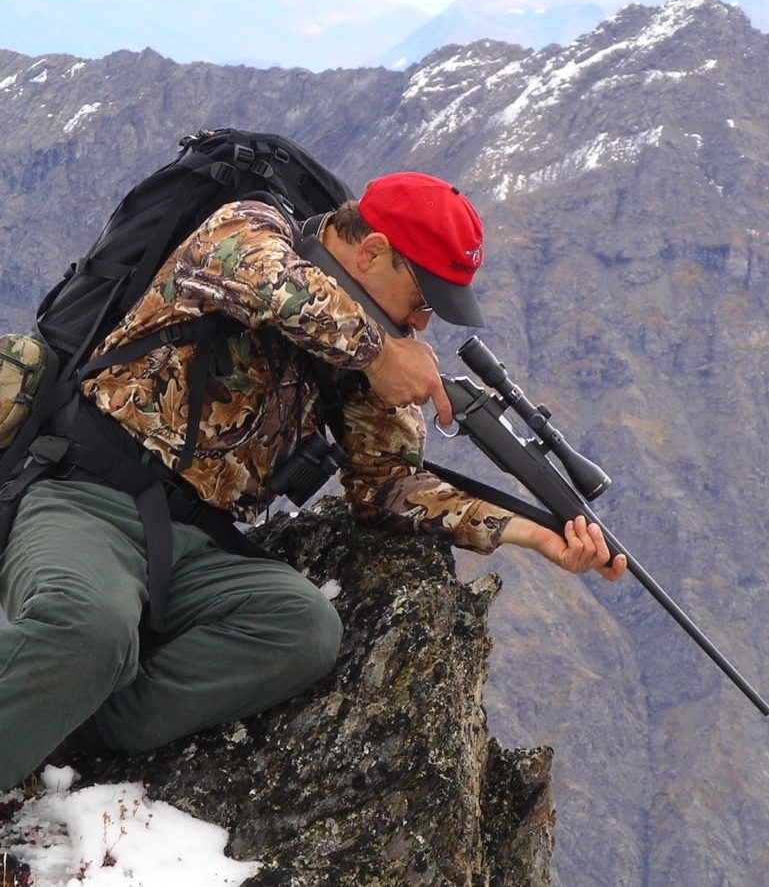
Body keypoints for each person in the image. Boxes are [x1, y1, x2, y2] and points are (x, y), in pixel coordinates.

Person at [0, 170, 626, 790]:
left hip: (200, 542)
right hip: (88, 495)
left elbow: (386, 486)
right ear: (375, 250)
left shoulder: (371, 347)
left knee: (302, 630)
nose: (426, 322)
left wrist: (530, 533)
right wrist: (379, 355)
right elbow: (264, 281)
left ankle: (68, 715)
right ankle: (58, 684)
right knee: (90, 627)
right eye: (425, 298)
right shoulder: (252, 225)